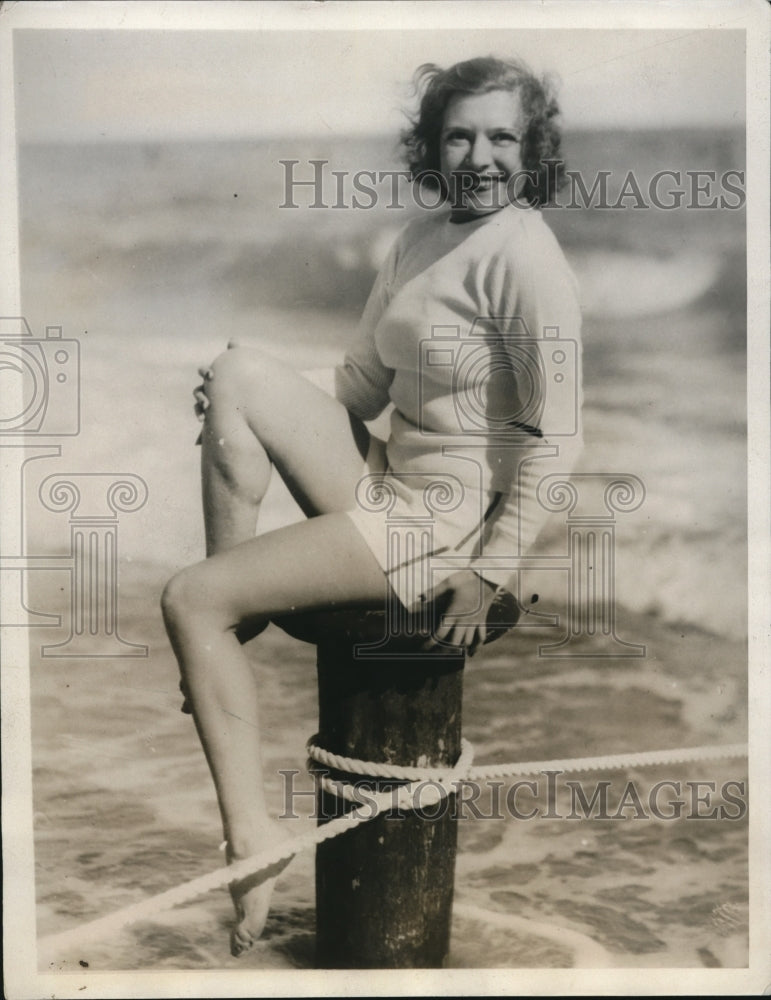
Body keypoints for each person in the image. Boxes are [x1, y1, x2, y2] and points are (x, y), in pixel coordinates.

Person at [161, 55, 583, 957]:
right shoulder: (420, 236)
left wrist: (486, 569)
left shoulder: (526, 257)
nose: (479, 156)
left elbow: (559, 438)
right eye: (459, 134)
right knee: (236, 369)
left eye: (502, 137)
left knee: (189, 595)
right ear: (431, 143)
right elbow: (356, 385)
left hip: (441, 522)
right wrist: (252, 395)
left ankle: (250, 841)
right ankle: (227, 639)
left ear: (529, 148)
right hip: (390, 478)